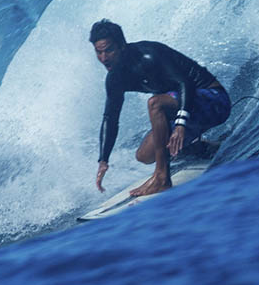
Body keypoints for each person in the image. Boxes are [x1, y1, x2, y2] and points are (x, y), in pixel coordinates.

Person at [90, 19, 231, 196]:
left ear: (122, 46)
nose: (104, 58)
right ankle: (198, 148)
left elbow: (184, 83)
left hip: (214, 101)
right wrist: (104, 160)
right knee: (145, 155)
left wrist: (180, 124)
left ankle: (162, 178)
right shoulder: (114, 79)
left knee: (155, 103)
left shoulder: (148, 55)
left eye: (109, 50)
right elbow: (110, 118)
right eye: (99, 52)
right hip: (188, 110)